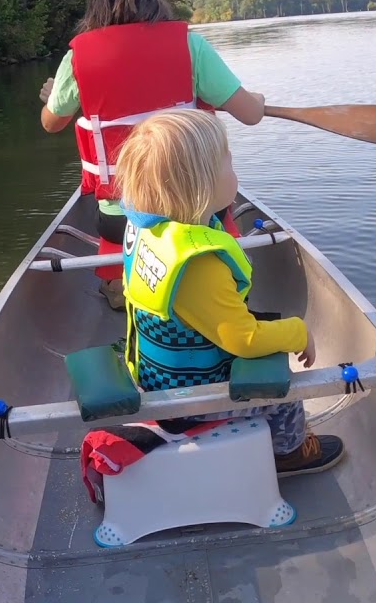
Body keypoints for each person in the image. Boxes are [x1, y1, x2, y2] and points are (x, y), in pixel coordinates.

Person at [113, 109, 346, 477]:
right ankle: (289, 452)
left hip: (154, 380)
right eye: (229, 161)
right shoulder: (199, 264)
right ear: (201, 184)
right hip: (193, 402)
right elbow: (245, 340)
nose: (235, 169)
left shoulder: (149, 230)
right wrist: (298, 331)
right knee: (284, 393)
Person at [38, 0, 266, 311]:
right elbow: (251, 115)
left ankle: (119, 283)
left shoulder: (77, 57)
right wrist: (256, 99)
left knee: (116, 220)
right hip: (197, 208)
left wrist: (53, 98)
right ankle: (220, 278)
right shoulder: (190, 45)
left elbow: (52, 122)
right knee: (212, 204)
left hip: (123, 219)